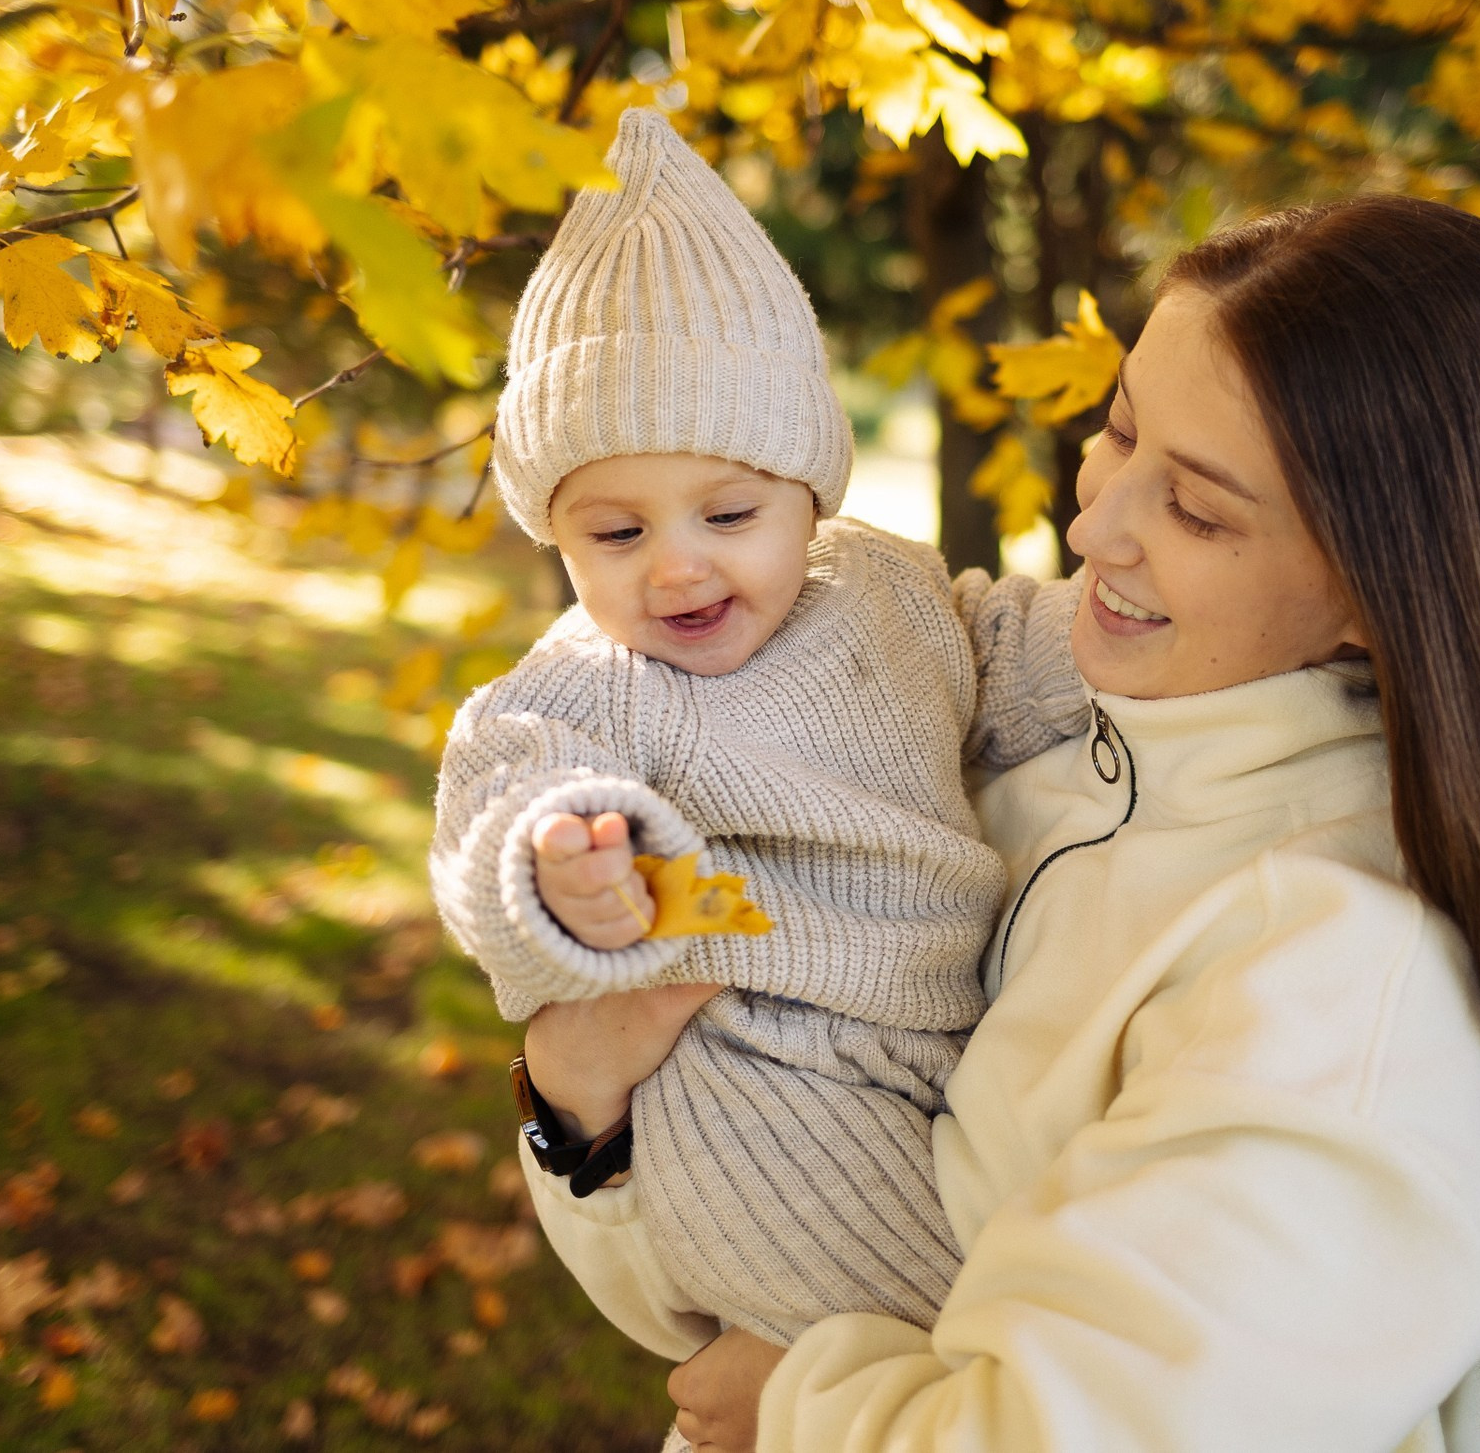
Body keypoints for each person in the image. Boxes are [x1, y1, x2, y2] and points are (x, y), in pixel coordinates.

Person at [517, 196, 1480, 1453]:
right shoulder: (1016, 749)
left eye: (1200, 510)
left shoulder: (1356, 990)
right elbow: (698, 1296)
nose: (1090, 523)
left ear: (1387, 595)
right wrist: (578, 1107)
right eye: (1117, 429)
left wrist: (795, 1404)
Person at [429, 109, 1094, 1354]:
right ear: (558, 535)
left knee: (1000, 1288)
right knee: (959, 1334)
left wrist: (1119, 625)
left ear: (807, 492)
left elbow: (1009, 648)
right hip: (756, 1061)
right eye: (614, 535)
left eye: (727, 512)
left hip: (935, 1031)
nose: (675, 567)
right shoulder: (593, 680)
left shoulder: (887, 592)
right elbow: (500, 785)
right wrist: (565, 861)